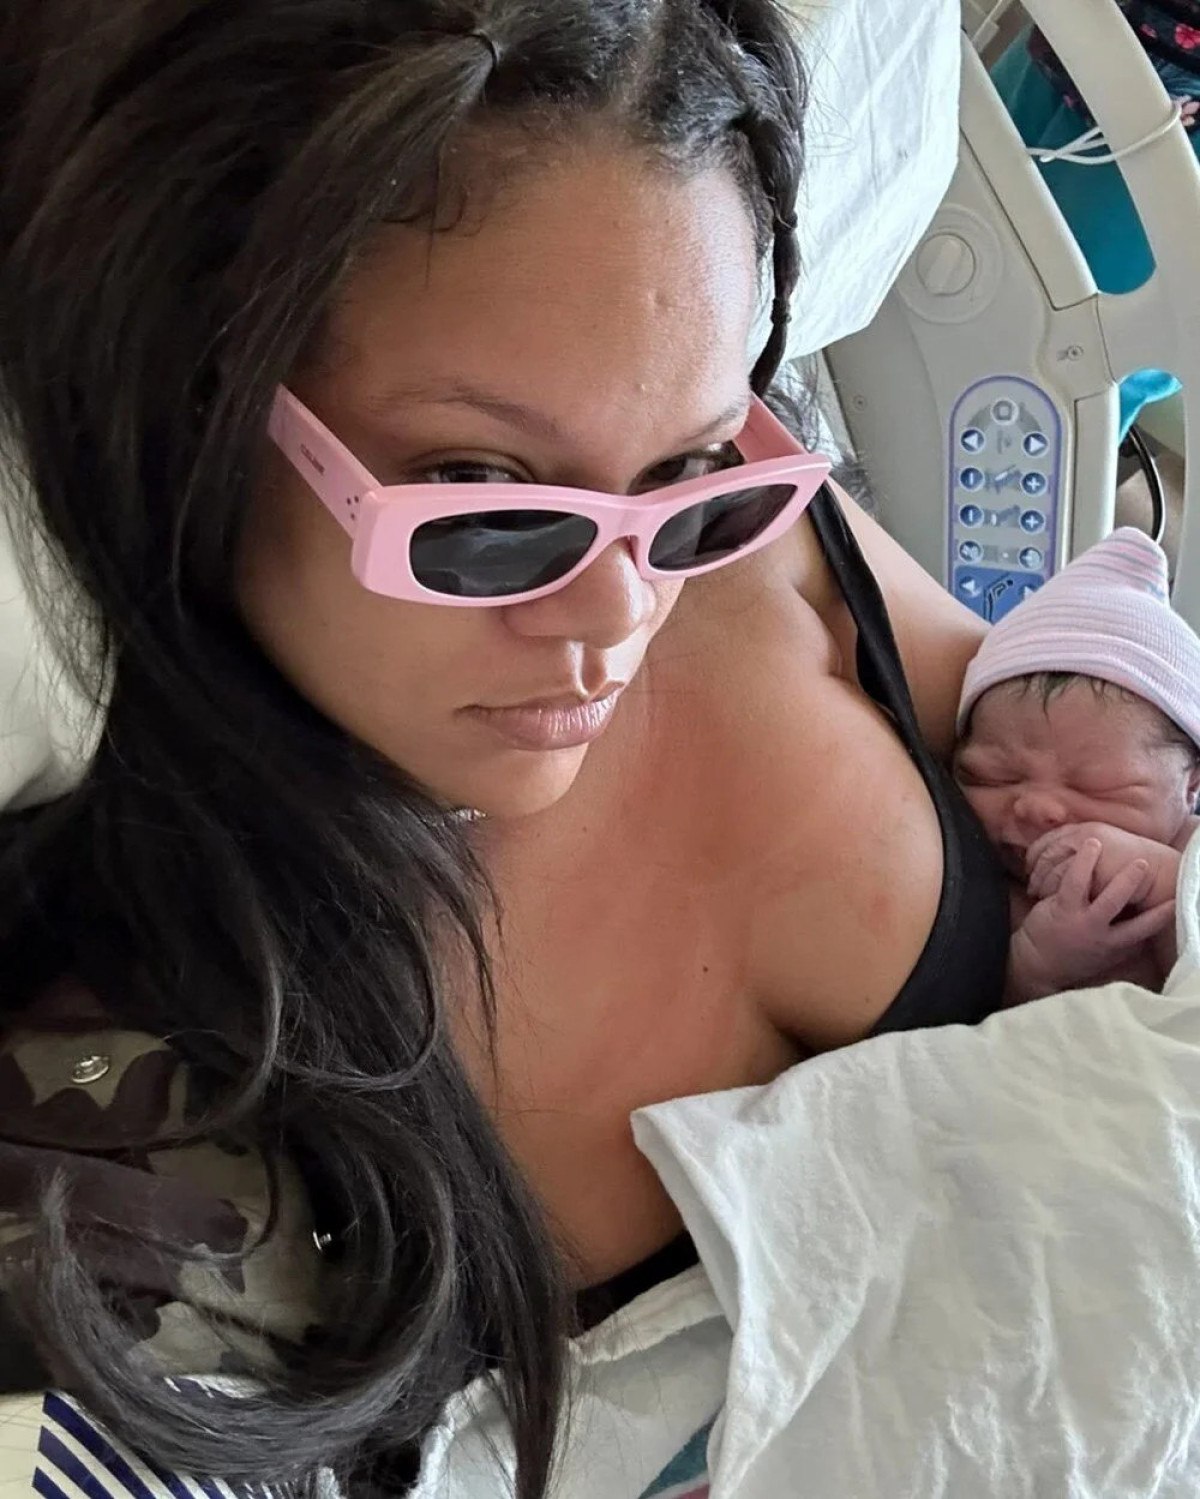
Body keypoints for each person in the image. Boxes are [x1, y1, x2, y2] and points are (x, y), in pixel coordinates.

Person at [0, 1, 1011, 1493]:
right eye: (482, 499)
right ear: (196, 405)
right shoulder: (128, 1132)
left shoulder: (755, 532)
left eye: (691, 467)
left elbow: (1066, 728)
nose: (621, 609)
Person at [955, 528, 1200, 1005]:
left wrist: (1165, 880)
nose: (1036, 808)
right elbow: (968, 1020)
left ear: (1191, 788)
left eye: (1098, 787)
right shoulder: (984, 888)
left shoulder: (1189, 849)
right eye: (991, 776)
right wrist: (1031, 969)